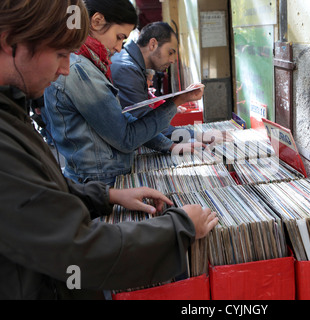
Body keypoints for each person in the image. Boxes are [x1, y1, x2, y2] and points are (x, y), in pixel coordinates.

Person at [0, 0, 218, 300]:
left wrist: (107, 196)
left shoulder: (13, 108)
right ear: (10, 43)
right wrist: (178, 228)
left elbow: (39, 190)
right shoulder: (79, 71)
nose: (65, 68)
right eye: (61, 54)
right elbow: (76, 248)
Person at [42, 0, 204, 186]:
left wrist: (171, 145)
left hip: (101, 177)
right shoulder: (80, 70)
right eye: (119, 37)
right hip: (99, 181)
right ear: (97, 21)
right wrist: (176, 102)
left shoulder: (91, 64)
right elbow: (126, 138)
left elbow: (122, 120)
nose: (119, 48)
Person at [111, 22, 197, 142]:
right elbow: (144, 125)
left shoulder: (130, 63)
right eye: (170, 52)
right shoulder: (127, 69)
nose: (172, 60)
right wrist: (197, 136)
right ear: (153, 44)